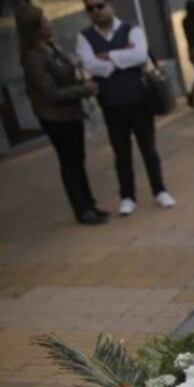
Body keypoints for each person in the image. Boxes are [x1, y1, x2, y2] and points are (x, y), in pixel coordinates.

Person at [77, 0, 176, 216]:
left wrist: (108, 56)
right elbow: (89, 64)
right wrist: (123, 55)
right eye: (90, 8)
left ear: (110, 5)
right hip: (111, 104)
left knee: (148, 149)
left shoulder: (132, 29)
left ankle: (159, 190)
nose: (95, 11)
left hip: (139, 100)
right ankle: (127, 196)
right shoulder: (84, 37)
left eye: (99, 5)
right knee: (121, 153)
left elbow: (140, 55)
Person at [17, 4, 108, 226]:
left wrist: (79, 78)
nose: (48, 24)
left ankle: (90, 203)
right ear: (34, 28)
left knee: (79, 160)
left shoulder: (50, 47)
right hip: (56, 117)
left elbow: (64, 75)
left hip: (71, 112)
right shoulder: (33, 56)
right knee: (70, 163)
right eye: (44, 22)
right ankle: (82, 210)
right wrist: (84, 90)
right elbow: (51, 92)